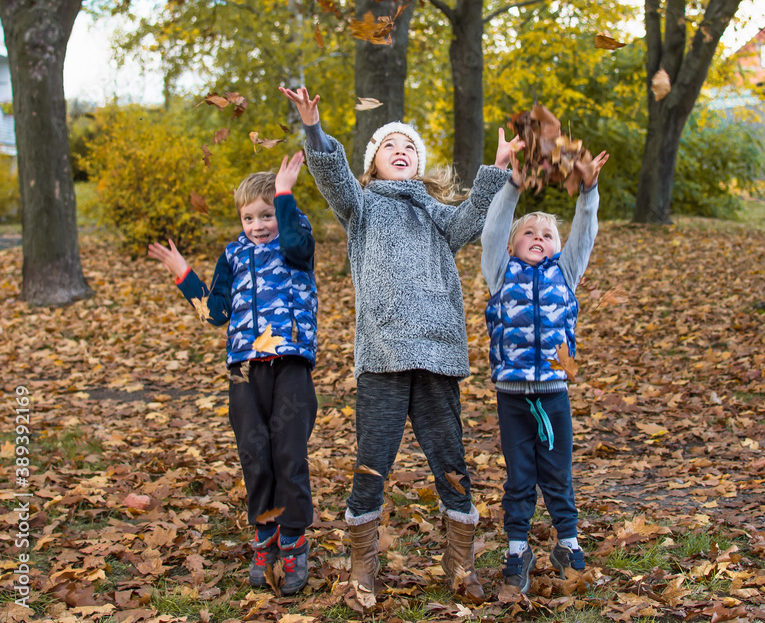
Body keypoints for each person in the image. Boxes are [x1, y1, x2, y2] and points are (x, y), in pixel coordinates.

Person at [279, 85, 521, 606]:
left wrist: (496, 170)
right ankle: (362, 567)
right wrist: (313, 127)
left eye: (407, 146)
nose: (399, 150)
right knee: (372, 461)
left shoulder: (437, 212)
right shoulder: (361, 206)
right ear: (372, 165)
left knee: (450, 459)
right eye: (388, 145)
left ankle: (461, 564)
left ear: (419, 163)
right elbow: (332, 176)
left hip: (438, 353)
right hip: (383, 356)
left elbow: (470, 219)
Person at [148, 152, 318, 596]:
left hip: (291, 362)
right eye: (249, 217)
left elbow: (298, 243)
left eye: (266, 215)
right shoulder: (233, 255)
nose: (258, 225)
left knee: (288, 452)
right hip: (244, 369)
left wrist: (284, 194)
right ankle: (265, 537)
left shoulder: (295, 243)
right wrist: (183, 274)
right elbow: (215, 313)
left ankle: (294, 538)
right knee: (255, 453)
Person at [479, 149, 609, 594]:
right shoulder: (499, 272)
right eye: (529, 233)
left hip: (553, 393)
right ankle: (517, 546)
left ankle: (568, 541)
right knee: (519, 475)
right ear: (513, 244)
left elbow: (586, 234)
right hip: (513, 396)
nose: (539, 237)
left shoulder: (567, 272)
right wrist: (512, 186)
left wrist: (588, 190)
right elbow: (494, 227)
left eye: (548, 234)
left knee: (557, 471)